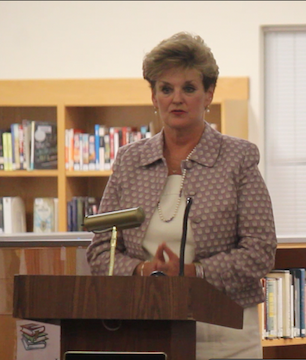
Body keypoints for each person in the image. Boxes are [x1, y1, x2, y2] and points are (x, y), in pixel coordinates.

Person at [86, 32, 277, 359]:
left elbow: (260, 251)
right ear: (154, 96)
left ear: (208, 95)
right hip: (143, 326)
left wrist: (192, 274)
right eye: (166, 89)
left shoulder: (238, 158)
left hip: (224, 331)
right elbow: (101, 249)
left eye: (189, 88)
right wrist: (144, 271)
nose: (177, 99)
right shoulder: (130, 160)